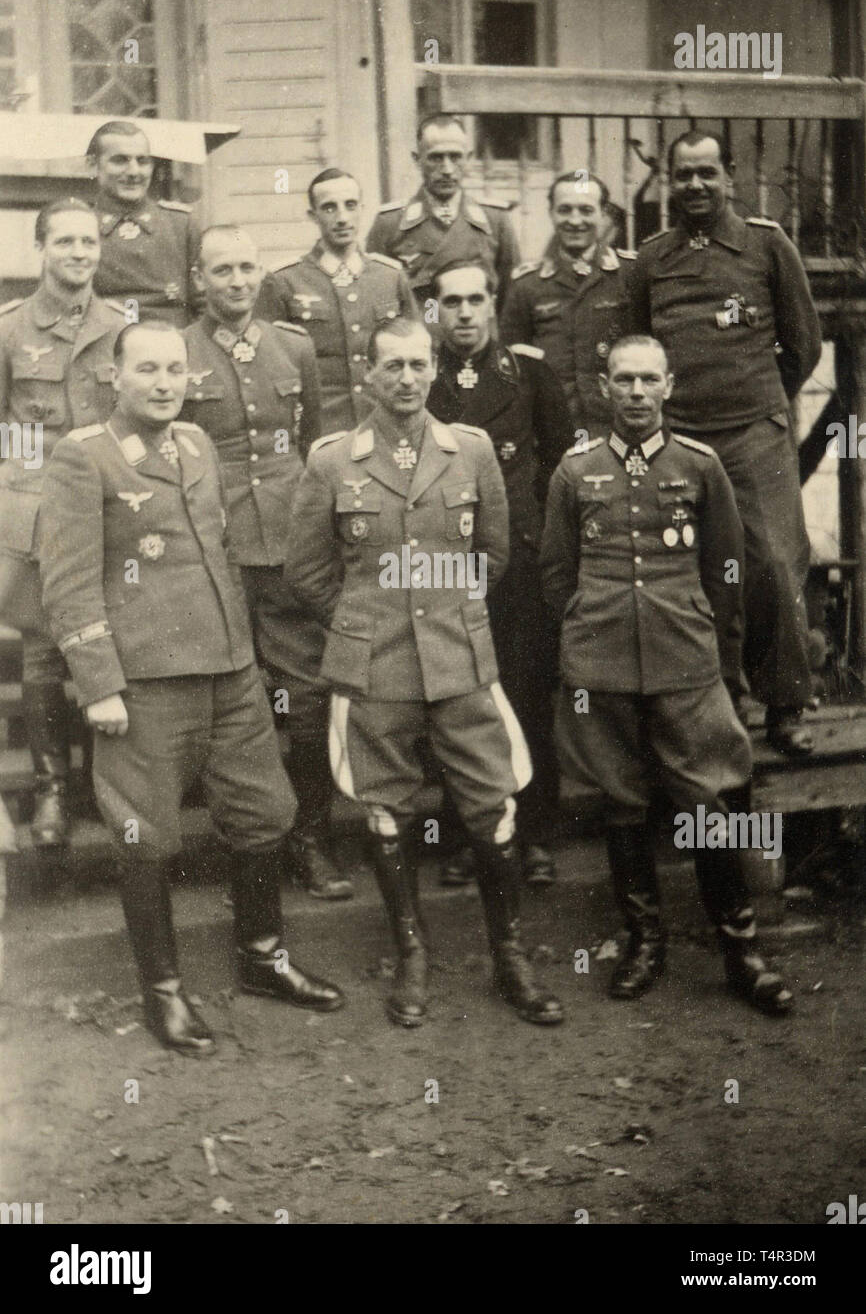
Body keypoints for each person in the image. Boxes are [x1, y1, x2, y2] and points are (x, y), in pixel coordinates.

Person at [38, 321, 345, 1056]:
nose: (165, 382)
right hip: (143, 681)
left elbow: (218, 556)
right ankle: (164, 994)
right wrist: (100, 684)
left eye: (176, 369)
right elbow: (68, 582)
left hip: (229, 670)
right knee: (147, 833)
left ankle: (263, 958)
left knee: (264, 812)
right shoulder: (84, 458)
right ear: (116, 377)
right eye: (147, 369)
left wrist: (247, 656)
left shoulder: (197, 446)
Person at [283, 317, 562, 1029]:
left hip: (460, 658)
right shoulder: (332, 460)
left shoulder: (466, 450)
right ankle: (411, 953)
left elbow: (492, 556)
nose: (406, 379)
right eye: (392, 367)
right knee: (386, 809)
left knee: (492, 804)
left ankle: (511, 955)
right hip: (373, 664)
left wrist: (447, 607)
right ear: (367, 377)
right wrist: (364, 618)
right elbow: (308, 570)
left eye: (417, 365)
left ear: (434, 369)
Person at [541, 335, 792, 1016]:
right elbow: (557, 572)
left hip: (686, 658)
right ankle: (643, 942)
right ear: (603, 388)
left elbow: (726, 573)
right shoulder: (575, 472)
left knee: (710, 798)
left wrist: (723, 663)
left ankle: (741, 947)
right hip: (604, 660)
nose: (636, 393)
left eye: (649, 379)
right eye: (623, 379)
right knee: (621, 800)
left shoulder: (700, 466)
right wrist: (589, 626)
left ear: (670, 387)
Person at [628, 129, 822, 756]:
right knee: (697, 571)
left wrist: (761, 400)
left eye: (707, 173)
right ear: (669, 180)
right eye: (683, 175)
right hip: (680, 439)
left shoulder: (767, 246)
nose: (695, 186)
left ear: (729, 175)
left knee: (771, 564)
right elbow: (639, 347)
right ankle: (719, 703)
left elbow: (804, 345)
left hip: (753, 434)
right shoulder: (652, 259)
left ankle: (787, 705)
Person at [181, 224, 350, 900]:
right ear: (199, 279)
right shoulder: (180, 352)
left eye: (247, 266)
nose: (236, 280)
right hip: (211, 548)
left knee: (304, 698)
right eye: (221, 269)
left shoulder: (294, 346)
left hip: (286, 546)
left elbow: (311, 445)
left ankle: (310, 838)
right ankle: (240, 845)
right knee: (226, 701)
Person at [427, 259, 571, 887]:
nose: (463, 312)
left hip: (517, 559)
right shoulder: (419, 377)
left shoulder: (531, 374)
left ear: (493, 305)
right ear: (434, 310)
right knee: (456, 699)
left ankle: (535, 833)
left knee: (525, 693)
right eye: (450, 301)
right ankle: (467, 834)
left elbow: (561, 468)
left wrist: (544, 545)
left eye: (474, 300)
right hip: (445, 563)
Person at [0, 197, 124, 851]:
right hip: (43, 513)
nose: (80, 253)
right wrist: (26, 488)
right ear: (41, 247)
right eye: (66, 241)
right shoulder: (11, 329)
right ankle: (53, 787)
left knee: (115, 642)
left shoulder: (122, 328)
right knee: (47, 654)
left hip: (110, 512)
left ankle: (115, 785)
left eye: (90, 242)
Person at [256, 168, 416, 433]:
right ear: (313, 215)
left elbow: (415, 349)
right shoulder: (283, 281)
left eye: (350, 206)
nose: (342, 218)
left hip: (386, 426)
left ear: (362, 209)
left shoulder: (391, 276)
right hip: (319, 430)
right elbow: (269, 368)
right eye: (329, 208)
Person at [499, 171, 635, 438]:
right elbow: (509, 362)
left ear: (603, 213)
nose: (575, 221)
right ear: (551, 213)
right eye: (564, 210)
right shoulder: (527, 284)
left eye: (586, 210)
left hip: (618, 424)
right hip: (553, 427)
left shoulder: (629, 274)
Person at [366, 114, 520, 311]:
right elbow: (375, 299)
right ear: (417, 160)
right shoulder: (389, 223)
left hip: (476, 334)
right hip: (420, 333)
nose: (447, 169)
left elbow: (512, 301)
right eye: (436, 158)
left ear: (468, 158)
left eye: (455, 157)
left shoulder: (495, 220)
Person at [87, 119, 200, 326]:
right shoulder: (79, 226)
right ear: (93, 165)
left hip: (174, 347)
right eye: (120, 160)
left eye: (143, 161)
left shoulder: (181, 225)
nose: (133, 172)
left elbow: (205, 305)